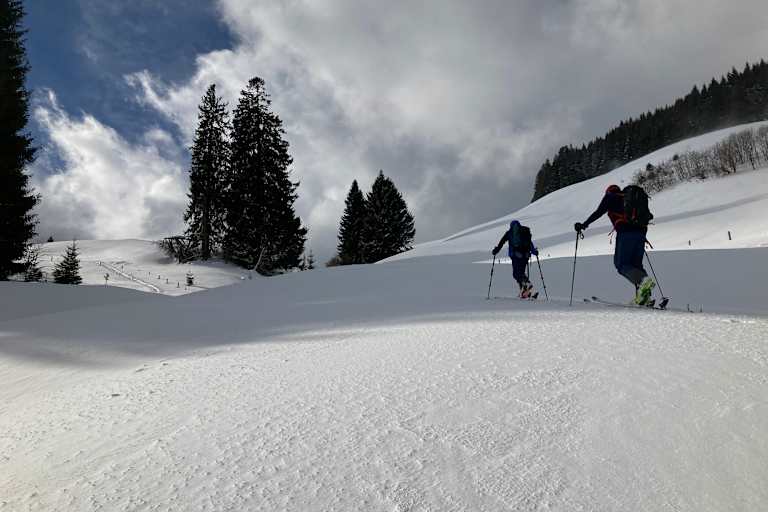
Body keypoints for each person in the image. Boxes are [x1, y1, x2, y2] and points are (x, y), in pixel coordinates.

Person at [574, 184, 655, 305]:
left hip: (626, 233)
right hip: (641, 233)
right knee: (636, 266)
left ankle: (644, 281)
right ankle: (644, 298)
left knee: (621, 265)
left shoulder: (611, 197)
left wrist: (583, 225)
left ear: (608, 191)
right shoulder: (628, 198)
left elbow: (598, 212)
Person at [492, 220, 539, 298]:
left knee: (516, 274)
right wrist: (534, 252)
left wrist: (496, 250)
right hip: (525, 256)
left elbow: (502, 242)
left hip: (516, 256)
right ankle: (524, 293)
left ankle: (527, 283)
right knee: (521, 273)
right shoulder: (524, 232)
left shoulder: (509, 233)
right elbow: (530, 243)